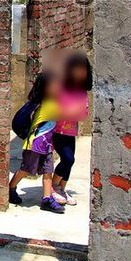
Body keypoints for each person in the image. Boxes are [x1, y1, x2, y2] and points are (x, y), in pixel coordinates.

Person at [8, 71, 65, 213]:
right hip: (34, 144)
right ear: (45, 87)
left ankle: (46, 199)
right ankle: (11, 187)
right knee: (26, 169)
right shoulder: (41, 103)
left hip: (47, 145)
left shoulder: (53, 102)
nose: (58, 87)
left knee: (48, 171)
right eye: (54, 85)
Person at [50, 52, 92, 206]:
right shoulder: (62, 87)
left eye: (83, 70)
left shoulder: (81, 90)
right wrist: (70, 112)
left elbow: (84, 112)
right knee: (68, 158)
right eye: (77, 69)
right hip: (58, 130)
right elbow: (56, 109)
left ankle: (62, 188)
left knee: (69, 162)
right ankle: (53, 187)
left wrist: (75, 112)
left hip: (71, 131)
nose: (80, 73)